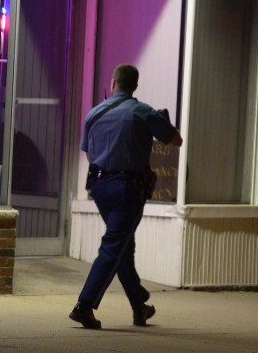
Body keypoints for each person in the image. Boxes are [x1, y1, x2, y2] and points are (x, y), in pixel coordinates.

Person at [69, 63, 183, 329]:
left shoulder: (94, 113)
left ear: (112, 83)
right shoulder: (142, 112)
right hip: (127, 188)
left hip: (99, 187)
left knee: (122, 245)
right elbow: (176, 141)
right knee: (113, 245)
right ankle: (84, 306)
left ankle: (139, 306)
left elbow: (88, 152)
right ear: (135, 86)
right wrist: (163, 121)